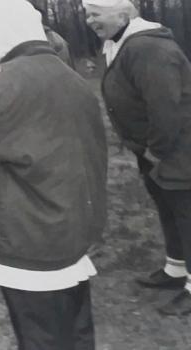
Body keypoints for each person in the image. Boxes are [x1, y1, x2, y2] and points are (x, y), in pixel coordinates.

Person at [0, 1, 107, 349]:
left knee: (42, 336)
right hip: (67, 227)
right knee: (74, 330)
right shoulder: (67, 76)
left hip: (31, 239)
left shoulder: (7, 83)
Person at [84, 0, 191, 316]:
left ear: (123, 14)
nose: (90, 20)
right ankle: (175, 268)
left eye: (95, 13)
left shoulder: (147, 48)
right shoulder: (121, 44)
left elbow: (165, 106)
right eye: (87, 15)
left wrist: (156, 150)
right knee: (168, 207)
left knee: (186, 213)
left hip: (178, 149)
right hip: (156, 149)